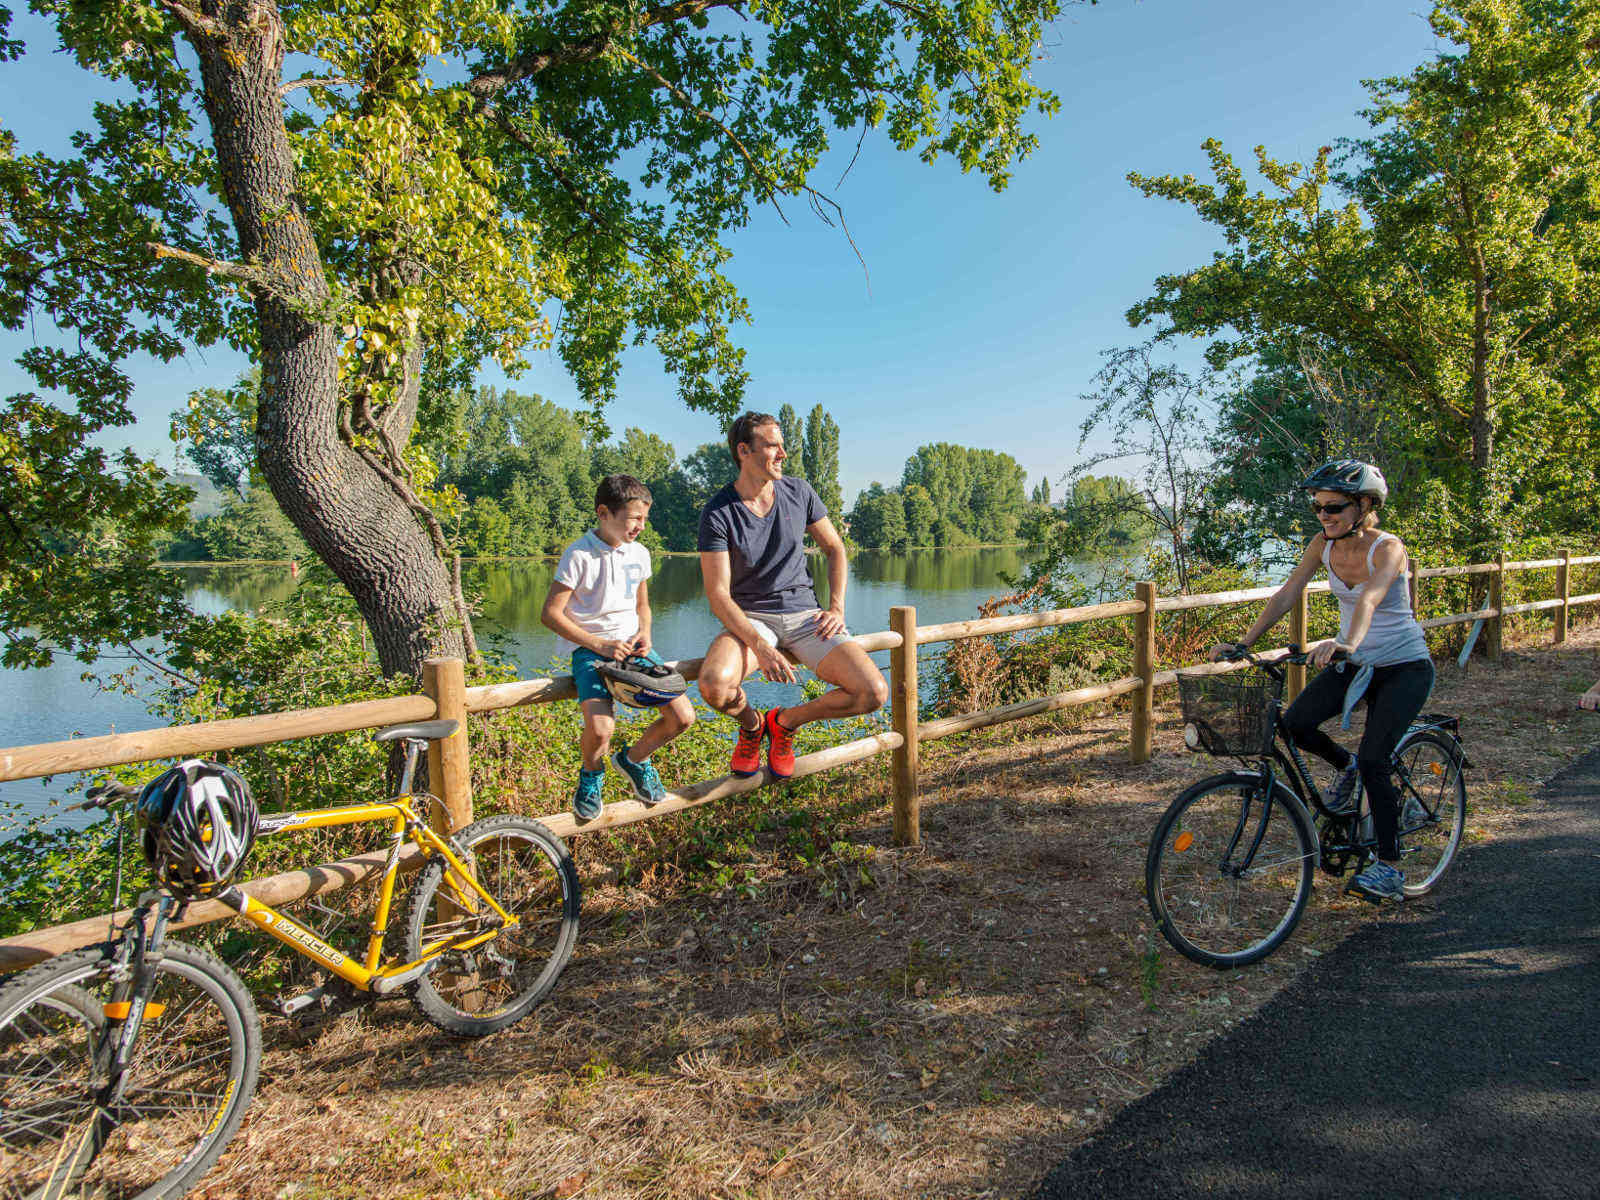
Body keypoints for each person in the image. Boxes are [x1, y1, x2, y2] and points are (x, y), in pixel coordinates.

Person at [1208, 460, 1433, 902]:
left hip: (1404, 666)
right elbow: (1289, 591)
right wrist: (1244, 642)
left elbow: (1370, 596)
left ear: (1365, 505)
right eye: (1317, 507)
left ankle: (1388, 866)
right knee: (1294, 724)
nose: (1324, 515)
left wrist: (1344, 641)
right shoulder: (1322, 544)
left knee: (1375, 759)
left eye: (1333, 507)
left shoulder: (1388, 548)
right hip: (1354, 660)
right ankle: (1344, 768)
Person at [696, 411, 888, 779]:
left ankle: (784, 722)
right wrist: (761, 647)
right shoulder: (718, 512)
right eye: (772, 445)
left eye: (783, 445)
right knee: (714, 685)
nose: (783, 453)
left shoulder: (799, 491)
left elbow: (835, 549)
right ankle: (753, 727)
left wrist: (836, 607)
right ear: (744, 451)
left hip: (805, 617)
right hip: (751, 620)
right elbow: (718, 594)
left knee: (872, 692)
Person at [542, 475, 695, 820]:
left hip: (634, 650)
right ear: (604, 513)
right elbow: (550, 614)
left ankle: (633, 760)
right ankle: (591, 778)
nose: (641, 526)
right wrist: (600, 644)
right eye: (634, 519)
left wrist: (646, 634)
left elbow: (643, 605)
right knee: (601, 729)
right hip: (591, 651)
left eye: (644, 518)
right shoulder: (579, 554)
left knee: (683, 716)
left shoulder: (639, 553)